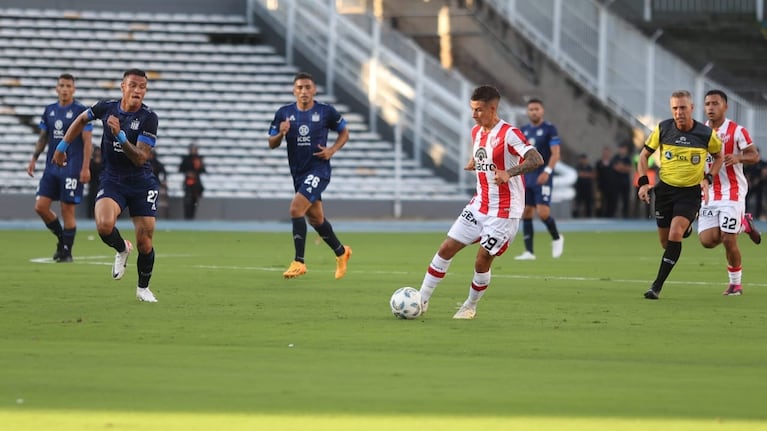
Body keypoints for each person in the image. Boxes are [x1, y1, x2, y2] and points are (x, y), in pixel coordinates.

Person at [418, 85, 543, 319]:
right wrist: (474, 161)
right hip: (479, 204)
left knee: (482, 259)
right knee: (446, 248)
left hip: (504, 211)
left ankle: (470, 306)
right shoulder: (477, 132)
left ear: (492, 108)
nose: (473, 115)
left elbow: (536, 158)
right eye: (472, 109)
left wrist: (510, 172)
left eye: (478, 110)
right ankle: (421, 299)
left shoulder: (509, 133)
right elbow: (484, 153)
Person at [53, 69, 160, 303]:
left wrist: (120, 136)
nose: (138, 90)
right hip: (113, 179)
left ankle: (143, 288)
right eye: (133, 85)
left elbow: (141, 157)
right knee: (103, 226)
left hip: (141, 182)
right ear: (123, 86)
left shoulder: (148, 117)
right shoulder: (106, 107)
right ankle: (122, 248)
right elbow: (81, 119)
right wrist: (62, 145)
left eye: (142, 87)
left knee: (145, 241)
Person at [637, 90, 723, 300]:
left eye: (683, 107)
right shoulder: (663, 128)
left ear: (692, 109)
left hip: (690, 193)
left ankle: (656, 286)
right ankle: (686, 228)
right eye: (675, 108)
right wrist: (643, 183)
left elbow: (719, 156)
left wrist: (708, 178)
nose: (679, 112)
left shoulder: (705, 134)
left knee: (675, 233)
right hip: (665, 190)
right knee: (666, 243)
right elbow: (644, 155)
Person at [268, 72, 352, 280]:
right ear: (294, 90)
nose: (303, 91)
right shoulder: (284, 113)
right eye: (299, 88)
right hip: (298, 173)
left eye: (307, 87)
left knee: (296, 208)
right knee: (316, 219)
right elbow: (271, 143)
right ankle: (342, 252)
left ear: (314, 90)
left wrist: (331, 150)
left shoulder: (325, 112)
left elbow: (345, 132)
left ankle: (299, 262)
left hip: (319, 170)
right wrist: (281, 133)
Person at [697, 89, 761, 296]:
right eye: (707, 104)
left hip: (732, 191)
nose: (711, 108)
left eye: (715, 103)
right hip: (710, 192)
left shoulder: (737, 130)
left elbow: (754, 155)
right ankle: (744, 223)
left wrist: (739, 157)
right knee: (707, 241)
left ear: (725, 106)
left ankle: (735, 285)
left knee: (728, 239)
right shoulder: (699, 131)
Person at [26, 73, 93, 262]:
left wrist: (85, 167)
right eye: (62, 85)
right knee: (40, 207)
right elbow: (43, 137)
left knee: (67, 210)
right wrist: (34, 158)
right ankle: (63, 239)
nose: (64, 89)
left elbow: (88, 142)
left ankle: (66, 252)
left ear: (74, 89)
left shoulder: (81, 110)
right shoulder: (49, 110)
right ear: (57, 88)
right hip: (51, 167)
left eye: (68, 86)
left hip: (72, 167)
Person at [515, 98, 564, 260]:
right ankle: (529, 252)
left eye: (536, 109)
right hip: (527, 177)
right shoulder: (524, 130)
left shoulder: (550, 129)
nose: (534, 112)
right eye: (531, 109)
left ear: (542, 111)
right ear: (527, 112)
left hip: (543, 176)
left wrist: (548, 171)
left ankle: (557, 238)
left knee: (543, 213)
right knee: (526, 212)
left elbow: (555, 153)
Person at [179, 143, 205, 220]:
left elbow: (202, 170)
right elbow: (181, 169)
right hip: (188, 182)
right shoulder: (186, 159)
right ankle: (187, 217)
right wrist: (188, 173)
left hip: (196, 183)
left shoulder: (199, 159)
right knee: (187, 200)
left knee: (195, 200)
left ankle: (192, 217)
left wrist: (195, 174)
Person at [611, 142, 633, 218]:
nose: (622, 150)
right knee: (615, 199)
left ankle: (625, 215)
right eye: (621, 148)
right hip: (617, 182)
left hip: (625, 182)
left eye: (623, 148)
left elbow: (629, 168)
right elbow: (615, 168)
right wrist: (623, 168)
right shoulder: (615, 157)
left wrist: (621, 167)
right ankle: (614, 214)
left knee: (625, 199)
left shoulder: (628, 158)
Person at [572, 153, 595, 218]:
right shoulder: (577, 167)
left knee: (588, 204)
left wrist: (585, 174)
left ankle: (589, 216)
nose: (584, 160)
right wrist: (587, 175)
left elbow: (593, 175)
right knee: (578, 203)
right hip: (579, 188)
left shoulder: (590, 167)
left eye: (585, 159)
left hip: (588, 188)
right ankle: (576, 216)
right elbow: (578, 174)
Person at [595, 146, 615, 217]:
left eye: (607, 153)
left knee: (610, 201)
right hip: (601, 185)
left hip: (610, 186)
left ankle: (609, 215)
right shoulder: (599, 163)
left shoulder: (613, 163)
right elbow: (596, 174)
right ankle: (599, 215)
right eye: (605, 153)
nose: (606, 154)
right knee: (600, 201)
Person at [86, 146, 103, 219]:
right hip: (93, 185)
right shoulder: (91, 162)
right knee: (92, 201)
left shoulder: (103, 162)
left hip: (101, 184)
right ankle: (90, 216)